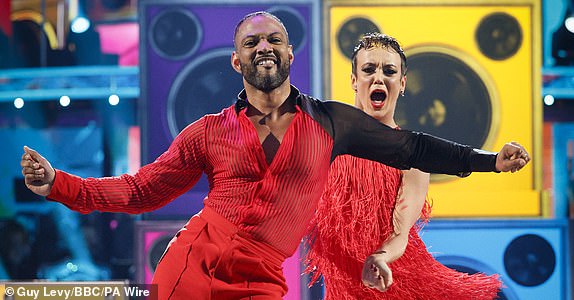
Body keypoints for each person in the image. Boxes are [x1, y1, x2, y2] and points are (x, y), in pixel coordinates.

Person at [20, 12, 529, 299]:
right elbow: (140, 190)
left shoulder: (332, 124)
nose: (264, 46)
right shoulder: (208, 132)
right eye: (252, 41)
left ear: (290, 54)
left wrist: (490, 160)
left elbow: (413, 148)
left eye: (275, 39)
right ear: (236, 59)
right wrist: (60, 185)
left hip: (262, 281)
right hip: (190, 269)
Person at [305, 33, 503, 299]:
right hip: (344, 289)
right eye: (368, 69)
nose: (379, 77)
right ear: (354, 81)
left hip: (396, 283)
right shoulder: (323, 143)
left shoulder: (412, 157)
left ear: (402, 83)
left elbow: (401, 233)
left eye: (389, 71)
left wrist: (380, 257)